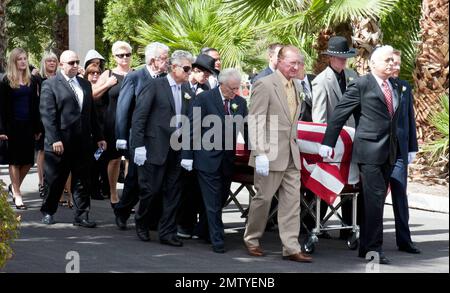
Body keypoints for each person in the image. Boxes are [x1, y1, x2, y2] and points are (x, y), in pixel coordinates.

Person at [319, 45, 400, 264]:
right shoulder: (361, 84)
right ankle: (374, 249)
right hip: (369, 153)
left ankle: (366, 247)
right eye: (387, 60)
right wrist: (328, 142)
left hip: (389, 152)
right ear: (373, 63)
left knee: (372, 202)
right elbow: (339, 114)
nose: (392, 63)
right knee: (374, 202)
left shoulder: (394, 86)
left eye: (393, 60)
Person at [243, 45, 312, 263]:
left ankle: (291, 247)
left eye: (299, 63)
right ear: (279, 61)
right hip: (269, 153)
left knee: (291, 203)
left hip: (291, 153)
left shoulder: (297, 85)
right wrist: (260, 153)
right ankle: (252, 239)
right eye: (292, 62)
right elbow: (255, 121)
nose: (296, 67)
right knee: (263, 199)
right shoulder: (265, 84)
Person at [131, 50, 194, 246]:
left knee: (173, 192)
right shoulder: (154, 85)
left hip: (176, 149)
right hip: (154, 147)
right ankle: (142, 222)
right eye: (186, 68)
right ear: (173, 68)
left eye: (190, 69)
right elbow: (139, 117)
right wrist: (138, 146)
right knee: (151, 190)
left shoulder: (187, 92)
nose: (189, 72)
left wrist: (187, 152)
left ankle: (167, 232)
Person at [39, 50, 106, 227]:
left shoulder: (84, 84)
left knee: (83, 181)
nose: (76, 65)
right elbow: (48, 115)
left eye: (77, 62)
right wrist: (54, 139)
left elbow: (91, 114)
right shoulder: (51, 84)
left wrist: (99, 136)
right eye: (71, 63)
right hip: (60, 142)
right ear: (62, 65)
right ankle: (48, 211)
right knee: (55, 180)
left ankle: (81, 215)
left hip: (83, 142)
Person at [114, 42, 170, 230]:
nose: (168, 61)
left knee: (154, 182)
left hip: (158, 139)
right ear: (153, 60)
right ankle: (122, 211)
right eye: (164, 58)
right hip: (138, 137)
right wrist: (121, 136)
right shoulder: (136, 76)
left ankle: (150, 218)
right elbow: (123, 108)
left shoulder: (166, 79)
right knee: (136, 180)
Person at [311, 36, 359, 239]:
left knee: (351, 182)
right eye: (340, 58)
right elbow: (319, 118)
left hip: (351, 138)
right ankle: (317, 222)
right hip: (333, 141)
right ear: (330, 58)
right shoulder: (321, 81)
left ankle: (348, 226)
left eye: (346, 57)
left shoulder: (352, 75)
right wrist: (326, 142)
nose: (343, 61)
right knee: (328, 182)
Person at [176, 53, 216, 239]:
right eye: (205, 75)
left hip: (195, 141)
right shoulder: (182, 85)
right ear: (195, 70)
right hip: (177, 136)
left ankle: (190, 223)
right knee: (180, 185)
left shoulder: (204, 87)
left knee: (191, 186)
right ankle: (181, 223)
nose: (206, 79)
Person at [0, 48, 42, 210]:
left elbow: (35, 105)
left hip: (28, 126)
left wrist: (38, 127)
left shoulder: (32, 81)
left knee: (27, 162)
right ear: (14, 61)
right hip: (12, 127)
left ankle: (13, 186)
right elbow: (2, 108)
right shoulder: (6, 81)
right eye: (20, 59)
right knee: (14, 161)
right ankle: (17, 194)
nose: (23, 61)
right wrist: (2, 130)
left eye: (25, 58)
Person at [93, 41, 133, 209]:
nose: (124, 58)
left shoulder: (136, 73)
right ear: (114, 57)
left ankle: (129, 194)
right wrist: (107, 84)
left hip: (132, 122)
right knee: (114, 159)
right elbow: (92, 95)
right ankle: (113, 192)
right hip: (112, 122)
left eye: (127, 54)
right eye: (120, 55)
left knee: (132, 159)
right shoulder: (108, 74)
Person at [389, 49, 421, 254]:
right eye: (392, 62)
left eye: (399, 63)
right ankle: (368, 239)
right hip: (378, 151)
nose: (396, 67)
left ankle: (404, 240)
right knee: (373, 198)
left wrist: (412, 148)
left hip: (399, 152)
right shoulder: (369, 84)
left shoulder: (404, 86)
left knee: (400, 195)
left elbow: (409, 118)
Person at [35, 51, 59, 198]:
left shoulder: (61, 78)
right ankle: (42, 182)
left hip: (57, 119)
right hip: (42, 118)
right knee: (42, 151)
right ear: (44, 63)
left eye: (54, 61)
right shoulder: (38, 79)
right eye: (49, 61)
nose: (51, 63)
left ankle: (56, 183)